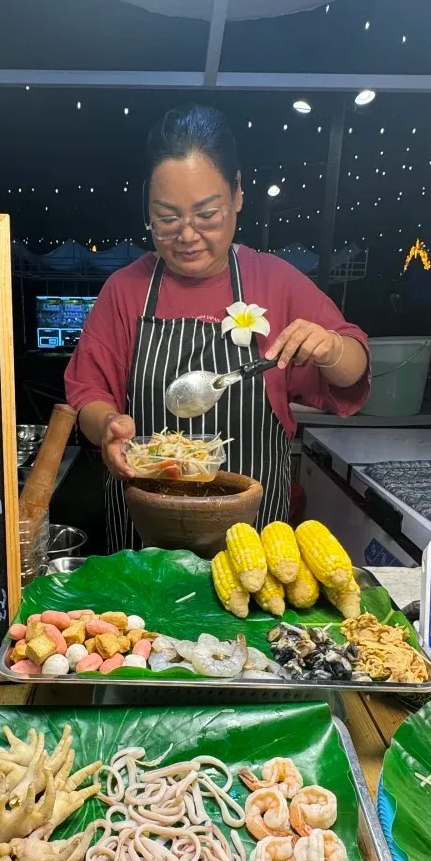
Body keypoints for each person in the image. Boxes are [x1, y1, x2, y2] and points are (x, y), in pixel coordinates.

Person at [64, 105, 370, 551]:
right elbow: (88, 392)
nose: (187, 235)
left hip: (252, 544)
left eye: (207, 214)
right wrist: (108, 426)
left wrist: (331, 349)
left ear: (238, 195)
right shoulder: (125, 289)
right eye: (167, 218)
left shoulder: (275, 280)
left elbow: (354, 370)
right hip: (145, 540)